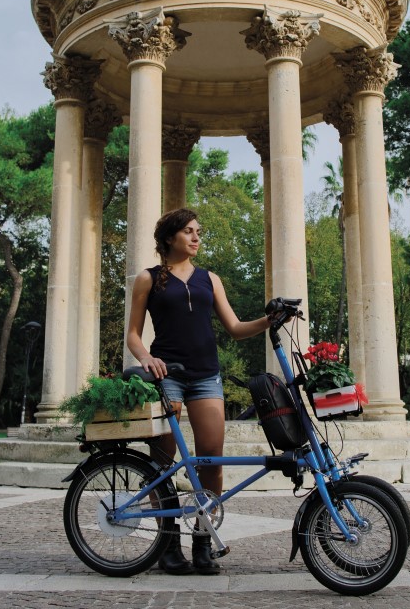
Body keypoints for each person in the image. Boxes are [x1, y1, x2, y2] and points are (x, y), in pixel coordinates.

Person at [125, 207, 275, 576]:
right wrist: (146, 358)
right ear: (170, 237)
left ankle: (203, 541)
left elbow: (236, 328)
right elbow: (133, 333)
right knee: (162, 464)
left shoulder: (211, 279)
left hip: (206, 375)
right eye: (189, 231)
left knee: (211, 460)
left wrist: (271, 320)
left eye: (198, 231)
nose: (196, 237)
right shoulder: (149, 279)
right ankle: (168, 545)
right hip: (167, 376)